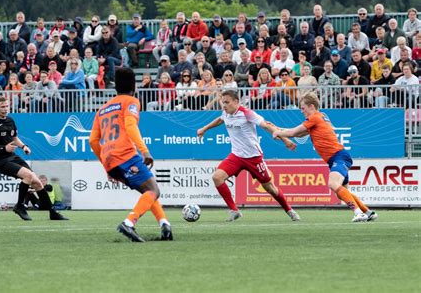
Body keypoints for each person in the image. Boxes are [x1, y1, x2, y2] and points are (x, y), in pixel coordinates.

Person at [89, 68, 172, 242]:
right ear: (134, 86)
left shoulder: (102, 109)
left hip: (110, 159)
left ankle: (165, 225)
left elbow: (93, 141)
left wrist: (106, 166)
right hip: (125, 154)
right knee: (153, 190)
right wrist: (144, 151)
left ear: (115, 88)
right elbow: (130, 125)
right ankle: (129, 223)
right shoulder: (131, 101)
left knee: (147, 191)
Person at [197, 89, 300, 222]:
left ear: (236, 101)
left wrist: (285, 139)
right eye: (223, 102)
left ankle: (289, 210)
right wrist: (204, 128)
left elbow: (267, 126)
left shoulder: (247, 113)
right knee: (217, 177)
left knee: (270, 188)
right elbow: (220, 119)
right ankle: (234, 210)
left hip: (254, 158)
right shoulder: (226, 113)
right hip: (236, 156)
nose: (224, 105)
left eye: (227, 102)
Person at [273, 93, 378, 222]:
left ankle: (358, 213)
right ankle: (367, 212)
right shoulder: (319, 117)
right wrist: (279, 129)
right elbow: (300, 134)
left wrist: (279, 132)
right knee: (343, 193)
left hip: (338, 156)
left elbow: (294, 132)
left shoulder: (315, 117)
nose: (301, 111)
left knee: (333, 184)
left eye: (302, 108)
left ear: (311, 106)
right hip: (338, 157)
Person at [0, 96, 67, 220]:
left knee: (37, 182)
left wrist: (23, 146)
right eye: (2, 107)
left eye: (7, 106)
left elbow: (14, 138)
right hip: (0, 161)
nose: (6, 109)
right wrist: (3, 148)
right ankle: (20, 206)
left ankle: (53, 213)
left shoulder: (10, 120)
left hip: (12, 156)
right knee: (28, 176)